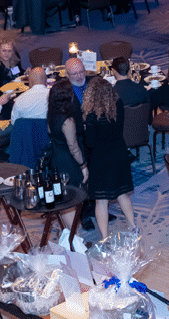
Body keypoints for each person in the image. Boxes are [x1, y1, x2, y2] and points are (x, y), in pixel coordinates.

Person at [83, 77, 135, 239]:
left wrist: (86, 128)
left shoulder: (91, 116)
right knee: (122, 194)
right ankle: (133, 227)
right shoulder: (118, 105)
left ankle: (105, 237)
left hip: (101, 160)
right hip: (119, 154)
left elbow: (90, 143)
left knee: (101, 200)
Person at [45, 80, 86, 228]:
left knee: (63, 198)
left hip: (56, 160)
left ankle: (69, 235)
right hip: (68, 163)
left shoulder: (51, 113)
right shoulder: (67, 121)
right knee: (72, 201)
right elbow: (74, 148)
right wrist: (83, 166)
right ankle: (74, 238)